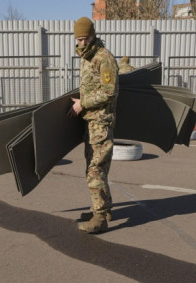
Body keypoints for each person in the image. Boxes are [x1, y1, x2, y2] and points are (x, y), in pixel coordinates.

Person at [68, 17, 118, 234]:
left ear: (93, 35)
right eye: (79, 39)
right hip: (91, 122)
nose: (82, 43)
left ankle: (100, 217)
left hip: (101, 122)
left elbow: (110, 92)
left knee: (95, 170)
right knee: (96, 167)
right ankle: (103, 209)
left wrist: (83, 104)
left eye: (85, 38)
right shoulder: (87, 58)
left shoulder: (103, 57)